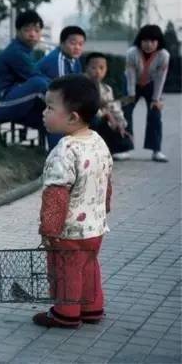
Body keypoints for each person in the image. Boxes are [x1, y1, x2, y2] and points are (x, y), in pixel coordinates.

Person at [34, 75, 113, 329]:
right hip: (96, 227)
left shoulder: (64, 150)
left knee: (66, 269)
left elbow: (56, 196)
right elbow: (106, 183)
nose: (44, 113)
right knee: (88, 266)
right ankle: (92, 308)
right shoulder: (98, 142)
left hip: (69, 231)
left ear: (72, 117)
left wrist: (49, 230)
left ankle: (65, 314)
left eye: (50, 107)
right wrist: (105, 209)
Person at [0, 10, 49, 131]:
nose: (32, 34)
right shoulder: (15, 52)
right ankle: (70, 108)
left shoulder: (25, 51)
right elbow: (36, 78)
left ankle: (55, 149)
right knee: (39, 84)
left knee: (51, 121)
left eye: (37, 30)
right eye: (27, 30)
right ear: (18, 31)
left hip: (11, 101)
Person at [122, 25, 170, 162]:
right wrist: (131, 95)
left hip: (151, 85)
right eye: (145, 41)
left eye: (153, 41)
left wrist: (156, 99)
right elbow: (130, 75)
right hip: (132, 84)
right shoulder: (132, 53)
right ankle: (124, 148)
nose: (148, 45)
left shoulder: (164, 55)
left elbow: (161, 78)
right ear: (140, 41)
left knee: (155, 114)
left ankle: (156, 150)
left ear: (158, 42)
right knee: (125, 112)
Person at [85, 52, 134, 158]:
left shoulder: (107, 89)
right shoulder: (83, 86)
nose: (98, 71)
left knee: (125, 138)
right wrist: (106, 115)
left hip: (105, 122)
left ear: (106, 70)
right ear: (86, 68)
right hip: (90, 122)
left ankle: (110, 149)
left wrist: (120, 124)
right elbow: (86, 108)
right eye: (93, 68)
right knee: (100, 121)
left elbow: (114, 108)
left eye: (101, 68)